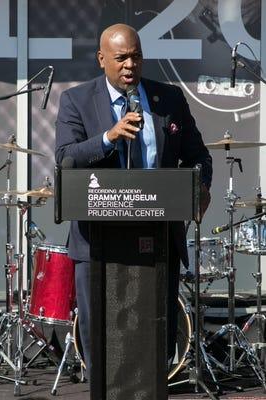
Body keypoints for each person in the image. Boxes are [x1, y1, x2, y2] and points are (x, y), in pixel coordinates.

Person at [55, 23, 212, 379]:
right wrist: (109, 138)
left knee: (155, 342)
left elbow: (199, 155)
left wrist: (200, 185)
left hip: (157, 240)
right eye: (121, 57)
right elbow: (65, 157)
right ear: (101, 60)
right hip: (98, 243)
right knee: (103, 345)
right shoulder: (77, 101)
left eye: (137, 56)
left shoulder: (168, 99)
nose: (130, 65)